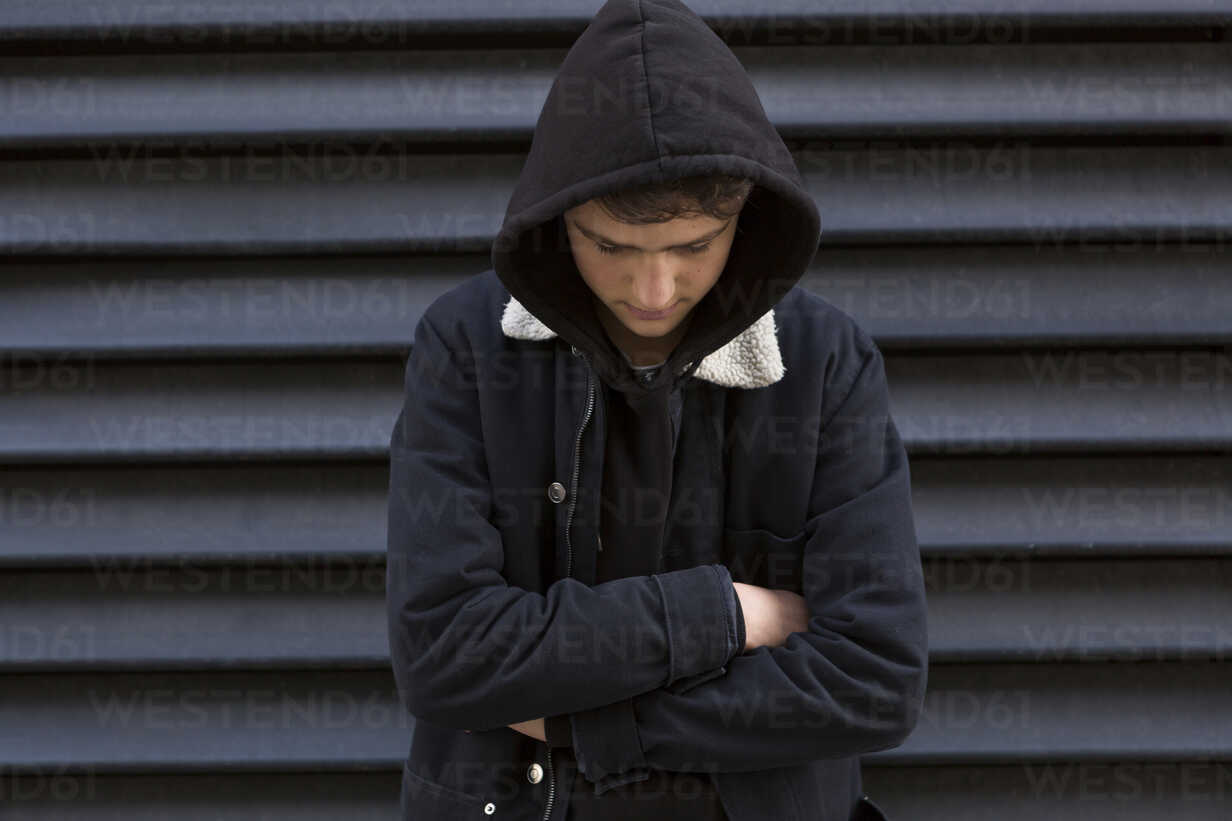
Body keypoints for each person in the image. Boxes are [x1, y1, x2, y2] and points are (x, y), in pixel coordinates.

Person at [385, 1, 928, 819]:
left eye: (694, 246)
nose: (654, 291)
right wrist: (730, 611)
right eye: (610, 247)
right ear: (559, 218)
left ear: (745, 217)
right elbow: (443, 656)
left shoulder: (825, 365)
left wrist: (590, 723)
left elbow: (876, 678)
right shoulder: (467, 348)